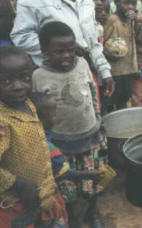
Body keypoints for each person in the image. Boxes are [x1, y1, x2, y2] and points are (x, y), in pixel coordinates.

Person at [10, 0, 115, 98]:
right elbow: (22, 37)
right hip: (50, 79)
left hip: (83, 75)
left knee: (86, 115)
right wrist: (64, 49)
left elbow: (93, 42)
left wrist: (105, 72)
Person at [32, 21, 108, 227]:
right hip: (60, 143)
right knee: (66, 185)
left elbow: (92, 92)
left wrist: (98, 119)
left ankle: (93, 212)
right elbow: (38, 111)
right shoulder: (38, 77)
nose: (66, 55)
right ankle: (72, 215)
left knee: (93, 181)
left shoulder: (82, 65)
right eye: (59, 51)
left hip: (90, 135)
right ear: (44, 51)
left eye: (70, 50)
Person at [0, 46, 68, 227]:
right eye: (6, 81)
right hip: (18, 203)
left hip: (45, 192)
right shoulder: (3, 122)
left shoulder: (29, 104)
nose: (18, 86)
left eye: (24, 78)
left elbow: (40, 144)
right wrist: (17, 184)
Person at [30, 92, 105, 227]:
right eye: (53, 115)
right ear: (38, 118)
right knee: (63, 200)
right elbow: (64, 173)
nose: (56, 118)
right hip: (47, 194)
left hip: (86, 139)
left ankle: (91, 213)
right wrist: (89, 174)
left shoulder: (38, 135)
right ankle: (71, 218)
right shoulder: (46, 146)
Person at [103, 0, 138, 112]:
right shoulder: (112, 20)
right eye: (126, 3)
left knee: (124, 99)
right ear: (116, 2)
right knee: (112, 101)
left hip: (127, 70)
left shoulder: (131, 20)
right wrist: (110, 52)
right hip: (114, 71)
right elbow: (104, 42)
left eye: (133, 3)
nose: (130, 7)